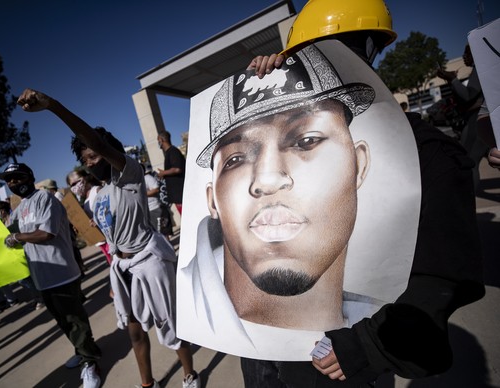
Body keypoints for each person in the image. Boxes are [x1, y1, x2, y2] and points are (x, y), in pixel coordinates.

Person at [239, 0, 484, 386]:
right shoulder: (286, 157)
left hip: (335, 362)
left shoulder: (424, 152)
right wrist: (260, 96)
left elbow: (439, 276)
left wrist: (366, 346)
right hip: (270, 352)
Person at [184, 44, 381, 356]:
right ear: (212, 201)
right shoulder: (190, 306)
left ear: (359, 165)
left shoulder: (378, 320)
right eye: (236, 159)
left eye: (307, 141)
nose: (267, 179)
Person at [16, 89, 201, 388]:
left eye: (94, 154)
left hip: (149, 263)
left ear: (110, 153)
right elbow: (109, 230)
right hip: (123, 268)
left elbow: (98, 142)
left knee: (170, 326)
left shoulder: (129, 174)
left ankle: (189, 374)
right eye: (84, 158)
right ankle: (147, 383)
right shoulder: (97, 194)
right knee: (135, 332)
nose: (89, 161)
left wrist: (53, 106)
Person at [0, 162, 102, 388]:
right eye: (9, 181)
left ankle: (90, 363)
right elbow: (13, 234)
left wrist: (18, 237)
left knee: (75, 321)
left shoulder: (45, 199)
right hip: (42, 276)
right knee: (63, 321)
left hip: (61, 272)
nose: (13, 184)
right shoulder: (20, 207)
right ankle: (82, 351)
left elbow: (46, 233)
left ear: (29, 177)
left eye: (17, 178)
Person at [437, 43, 487, 188]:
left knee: (469, 160)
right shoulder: (482, 70)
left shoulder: (480, 69)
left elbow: (468, 95)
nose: (464, 56)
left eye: (468, 53)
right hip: (480, 120)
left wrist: (453, 79)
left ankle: (470, 198)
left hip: (476, 121)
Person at [0, 200, 44, 310]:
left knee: (26, 278)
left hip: (24, 251)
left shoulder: (14, 219)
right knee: (24, 279)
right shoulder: (3, 223)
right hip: (16, 254)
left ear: (2, 211)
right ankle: (38, 297)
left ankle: (40, 298)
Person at [66, 168, 112, 265]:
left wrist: (99, 219)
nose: (74, 187)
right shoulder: (84, 201)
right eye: (71, 185)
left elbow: (113, 209)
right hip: (101, 241)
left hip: (111, 239)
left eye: (76, 182)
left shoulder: (97, 191)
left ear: (86, 178)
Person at [157, 130, 186, 215]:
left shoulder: (173, 151)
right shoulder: (169, 153)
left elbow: (177, 169)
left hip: (180, 195)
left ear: (162, 140)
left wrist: (164, 173)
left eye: (158, 141)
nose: (158, 143)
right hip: (177, 196)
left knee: (186, 216)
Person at [141, 164, 173, 241]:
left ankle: (169, 249)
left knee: (162, 231)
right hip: (147, 211)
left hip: (156, 208)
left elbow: (156, 189)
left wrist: (141, 194)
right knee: (156, 233)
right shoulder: (136, 181)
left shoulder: (148, 178)